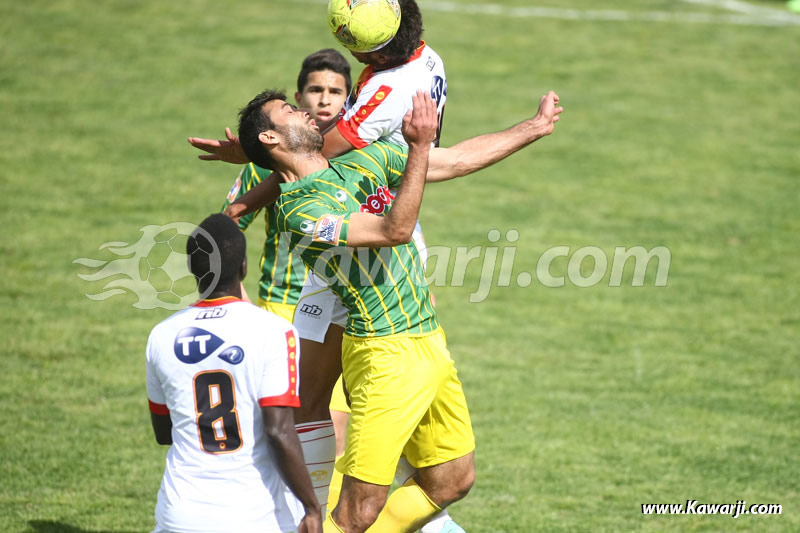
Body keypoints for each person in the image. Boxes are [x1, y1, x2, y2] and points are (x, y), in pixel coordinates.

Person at [236, 89, 562, 532]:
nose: (308, 111)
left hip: (430, 340)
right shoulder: (300, 211)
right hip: (383, 354)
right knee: (357, 512)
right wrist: (418, 148)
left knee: (452, 479)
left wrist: (534, 128)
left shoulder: (364, 161)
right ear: (271, 138)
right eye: (291, 110)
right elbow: (395, 229)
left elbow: (458, 160)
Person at [220, 47, 352, 512]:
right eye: (314, 90)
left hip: (340, 314)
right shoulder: (267, 162)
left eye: (336, 92)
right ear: (300, 96)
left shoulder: (354, 157)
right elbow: (228, 225)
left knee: (335, 432)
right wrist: (235, 302)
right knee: (293, 431)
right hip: (282, 313)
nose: (324, 100)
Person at [145, 213, 322, 533]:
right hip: (254, 516)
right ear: (243, 266)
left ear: (191, 269)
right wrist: (311, 507)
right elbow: (279, 431)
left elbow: (163, 432)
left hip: (180, 515)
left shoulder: (161, 335)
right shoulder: (275, 331)